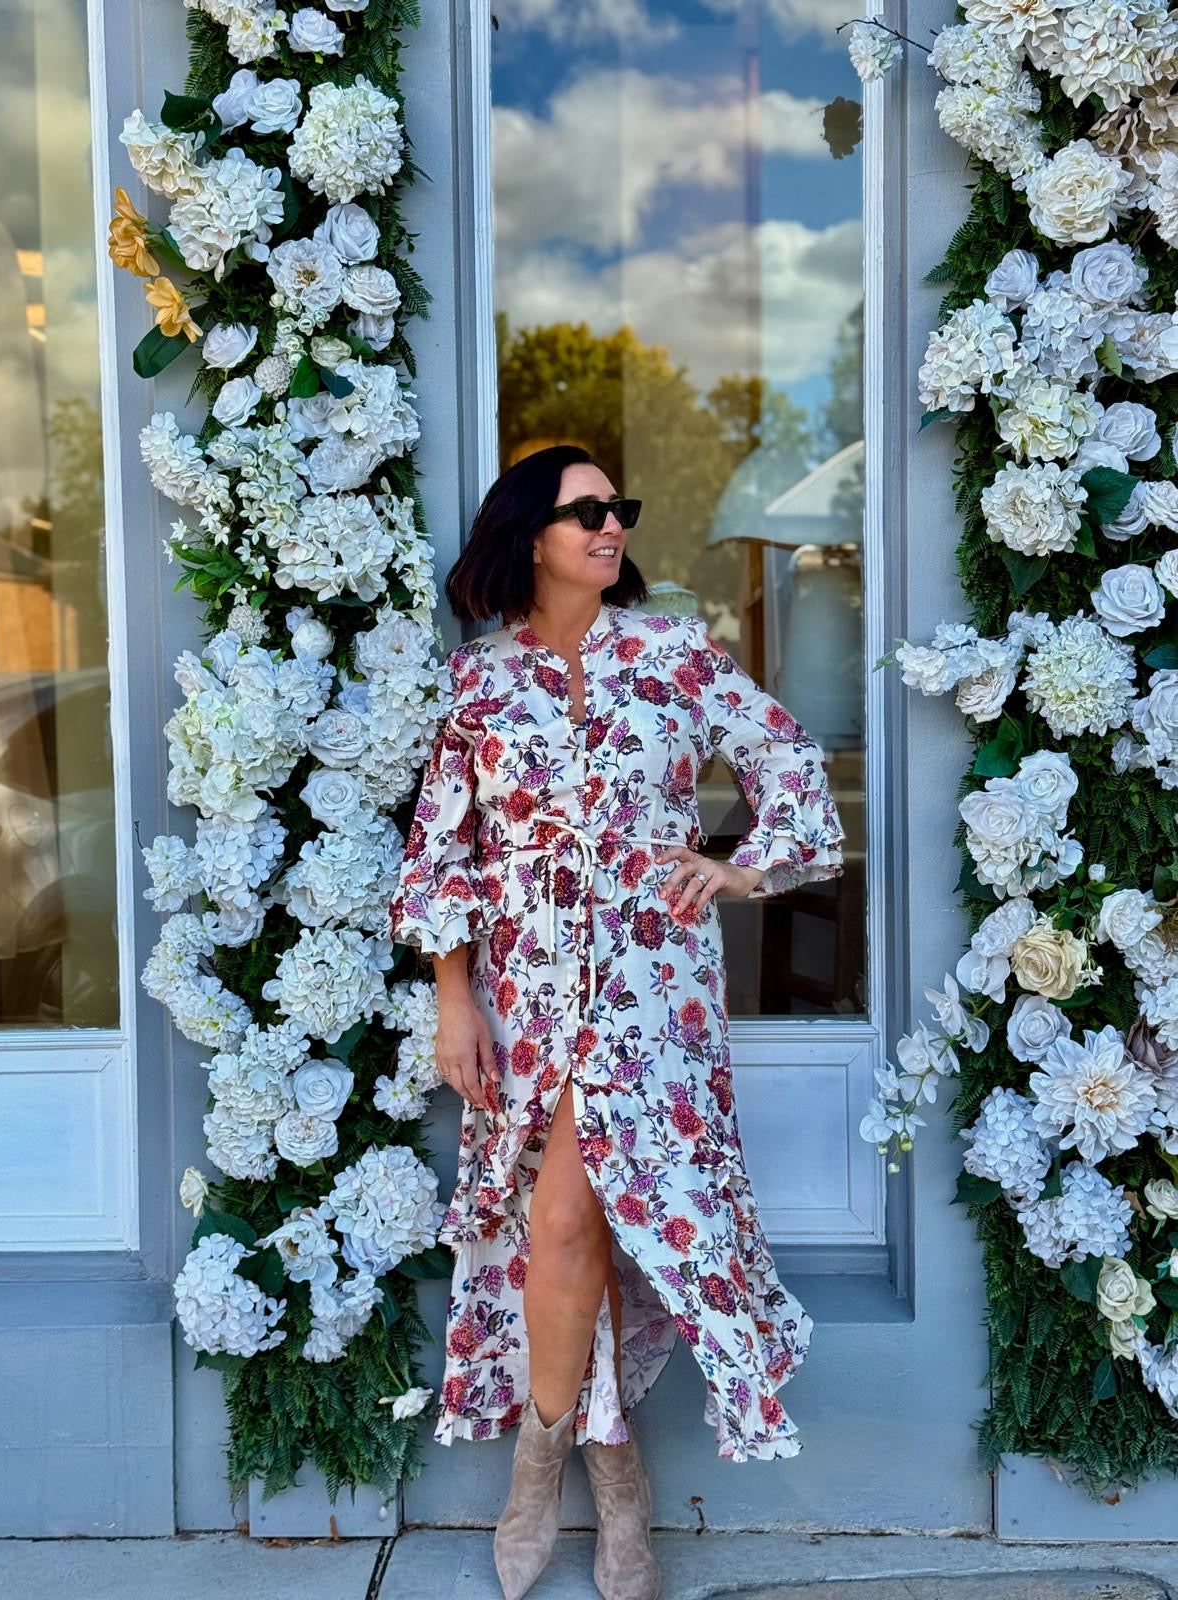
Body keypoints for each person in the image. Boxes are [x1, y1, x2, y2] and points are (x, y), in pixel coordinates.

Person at [389, 444, 846, 1600]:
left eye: (619, 508)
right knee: (564, 1225)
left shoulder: (674, 653)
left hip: (655, 990)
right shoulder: (477, 682)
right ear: (529, 536)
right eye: (585, 510)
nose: (611, 526)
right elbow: (442, 850)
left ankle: (537, 1474)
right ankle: (611, 1470)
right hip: (530, 989)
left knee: (565, 1213)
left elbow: (786, 753)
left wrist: (742, 868)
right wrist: (453, 995)